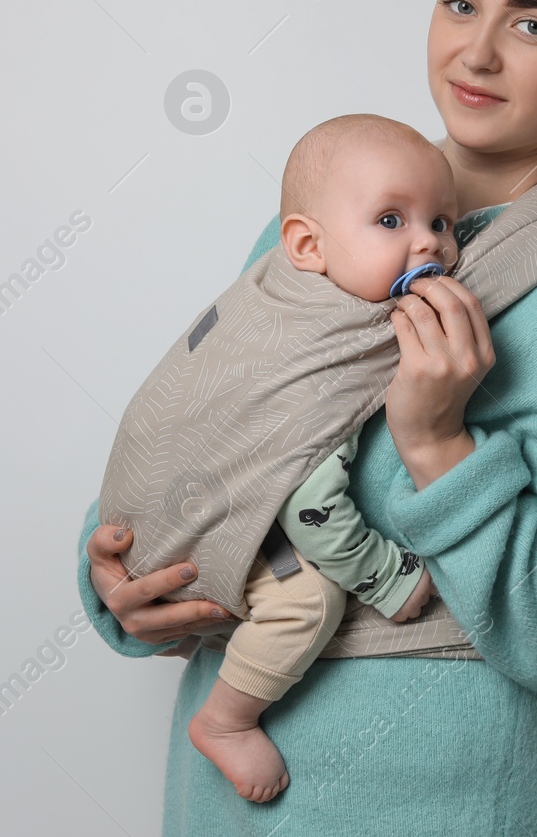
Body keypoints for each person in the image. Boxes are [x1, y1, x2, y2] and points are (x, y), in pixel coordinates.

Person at [78, 0, 537, 835]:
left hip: (439, 803)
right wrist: (120, 573)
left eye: (532, 23)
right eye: (459, 1)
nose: (477, 52)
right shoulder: (343, 198)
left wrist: (440, 445)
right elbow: (217, 422)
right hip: (231, 805)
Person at [151, 113, 460, 802]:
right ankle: (226, 720)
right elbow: (312, 506)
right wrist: (389, 576)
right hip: (201, 521)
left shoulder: (281, 293)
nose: (428, 243)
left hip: (178, 493)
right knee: (305, 597)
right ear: (306, 244)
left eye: (443, 222)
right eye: (390, 221)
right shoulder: (331, 355)